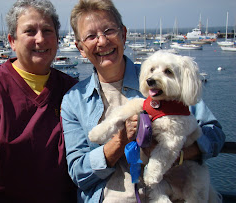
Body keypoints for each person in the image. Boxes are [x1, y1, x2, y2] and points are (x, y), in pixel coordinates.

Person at [61, 0, 226, 202]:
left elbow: (215, 134)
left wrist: (177, 154)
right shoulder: (73, 100)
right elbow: (78, 172)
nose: (102, 41)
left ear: (123, 34)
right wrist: (119, 142)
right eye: (91, 36)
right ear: (80, 48)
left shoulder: (165, 79)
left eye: (109, 30)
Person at [0, 0, 77, 202]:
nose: (40, 39)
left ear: (57, 39)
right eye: (30, 31)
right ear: (12, 41)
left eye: (47, 30)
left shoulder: (73, 91)